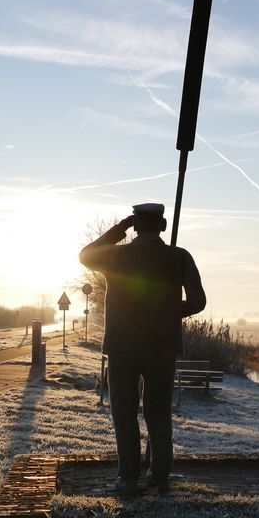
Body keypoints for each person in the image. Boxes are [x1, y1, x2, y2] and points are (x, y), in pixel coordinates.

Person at [79, 203, 206, 497]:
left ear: (136, 225)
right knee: (159, 412)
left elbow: (85, 255)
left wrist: (119, 228)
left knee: (124, 413)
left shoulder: (115, 255)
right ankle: (160, 476)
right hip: (162, 348)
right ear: (162, 226)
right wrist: (169, 312)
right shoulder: (179, 257)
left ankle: (127, 478)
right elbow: (198, 302)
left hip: (122, 347)